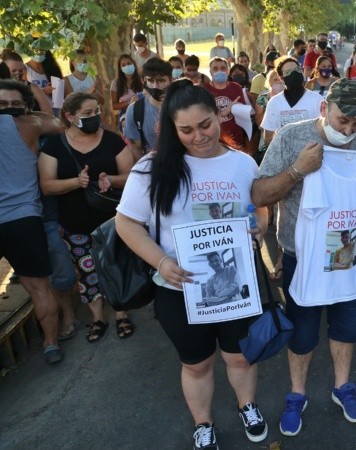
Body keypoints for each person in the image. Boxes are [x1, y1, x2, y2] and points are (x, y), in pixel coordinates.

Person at [115, 80, 269, 448]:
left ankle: (247, 406)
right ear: (172, 128)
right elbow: (126, 222)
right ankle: (203, 423)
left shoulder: (242, 163)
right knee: (197, 364)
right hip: (179, 289)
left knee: (240, 357)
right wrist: (161, 261)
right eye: (186, 130)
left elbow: (260, 207)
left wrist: (260, 228)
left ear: (219, 115)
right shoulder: (152, 168)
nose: (199, 136)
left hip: (236, 287)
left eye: (205, 124)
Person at [250, 79, 356, 437]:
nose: (348, 131)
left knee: (346, 328)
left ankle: (342, 387)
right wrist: (297, 170)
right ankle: (296, 395)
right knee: (302, 333)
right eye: (342, 121)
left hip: (347, 251)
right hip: (300, 255)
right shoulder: (291, 137)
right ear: (324, 109)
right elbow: (258, 194)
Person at [39, 91, 136, 341]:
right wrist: (76, 182)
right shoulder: (54, 146)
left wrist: (110, 179)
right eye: (87, 113)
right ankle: (97, 318)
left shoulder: (112, 141)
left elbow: (131, 176)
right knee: (86, 272)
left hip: (113, 221)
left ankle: (121, 314)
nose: (95, 117)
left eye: (97, 111)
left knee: (116, 266)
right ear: (70, 117)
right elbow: (47, 185)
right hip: (75, 224)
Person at [0, 80, 65, 363]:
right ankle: (51, 344)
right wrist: (25, 110)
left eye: (12, 105)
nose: (8, 110)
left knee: (39, 288)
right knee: (39, 288)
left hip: (22, 219)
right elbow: (57, 123)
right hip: (24, 218)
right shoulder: (31, 125)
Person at [262, 56, 323, 149]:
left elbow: (323, 133)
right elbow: (268, 138)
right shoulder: (274, 103)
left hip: (311, 154)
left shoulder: (317, 100)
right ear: (282, 78)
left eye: (296, 69)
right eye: (288, 72)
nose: (294, 73)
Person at [124, 58, 174, 161]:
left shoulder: (182, 105)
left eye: (161, 80)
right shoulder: (134, 111)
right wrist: (147, 167)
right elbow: (135, 147)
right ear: (143, 81)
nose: (155, 86)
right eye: (150, 81)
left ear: (171, 79)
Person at [205, 57, 248, 151]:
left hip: (236, 138)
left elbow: (243, 113)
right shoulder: (204, 90)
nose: (219, 71)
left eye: (223, 68)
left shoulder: (236, 87)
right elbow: (203, 117)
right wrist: (224, 112)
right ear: (210, 72)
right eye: (215, 69)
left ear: (228, 71)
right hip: (214, 140)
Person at [1, 50, 53, 115]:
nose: (18, 73)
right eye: (13, 70)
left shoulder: (32, 87)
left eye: (20, 70)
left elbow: (48, 112)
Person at [110, 55, 143, 128]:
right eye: (123, 65)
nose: (127, 66)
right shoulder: (116, 83)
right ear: (120, 68)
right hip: (125, 113)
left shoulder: (142, 79)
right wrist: (130, 102)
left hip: (142, 110)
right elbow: (114, 106)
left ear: (133, 64)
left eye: (129, 63)